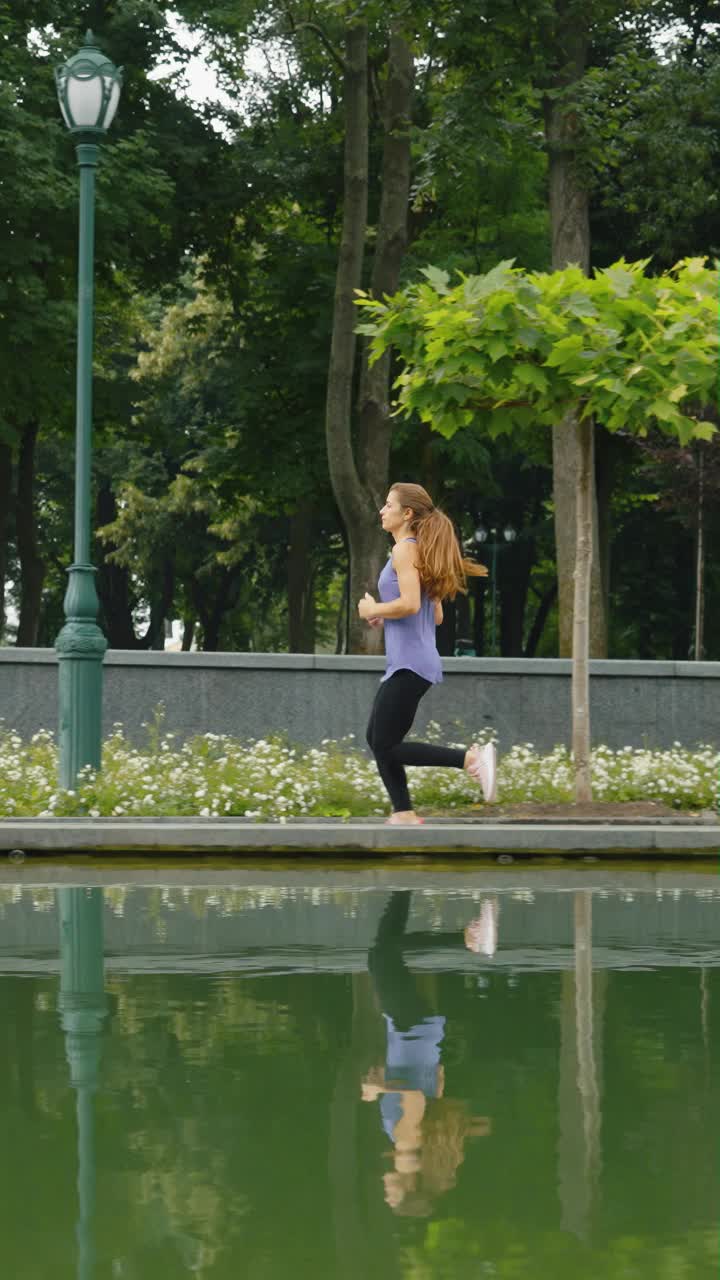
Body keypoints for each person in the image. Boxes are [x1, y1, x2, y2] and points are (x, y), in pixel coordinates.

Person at [357, 482, 496, 826]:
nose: (382, 510)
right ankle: (403, 812)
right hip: (414, 661)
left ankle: (470, 759)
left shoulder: (405, 550)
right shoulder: (421, 552)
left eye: (388, 505)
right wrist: (384, 613)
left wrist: (374, 607)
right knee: (377, 738)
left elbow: (410, 604)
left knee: (386, 744)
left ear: (407, 514)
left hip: (411, 663)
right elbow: (434, 615)